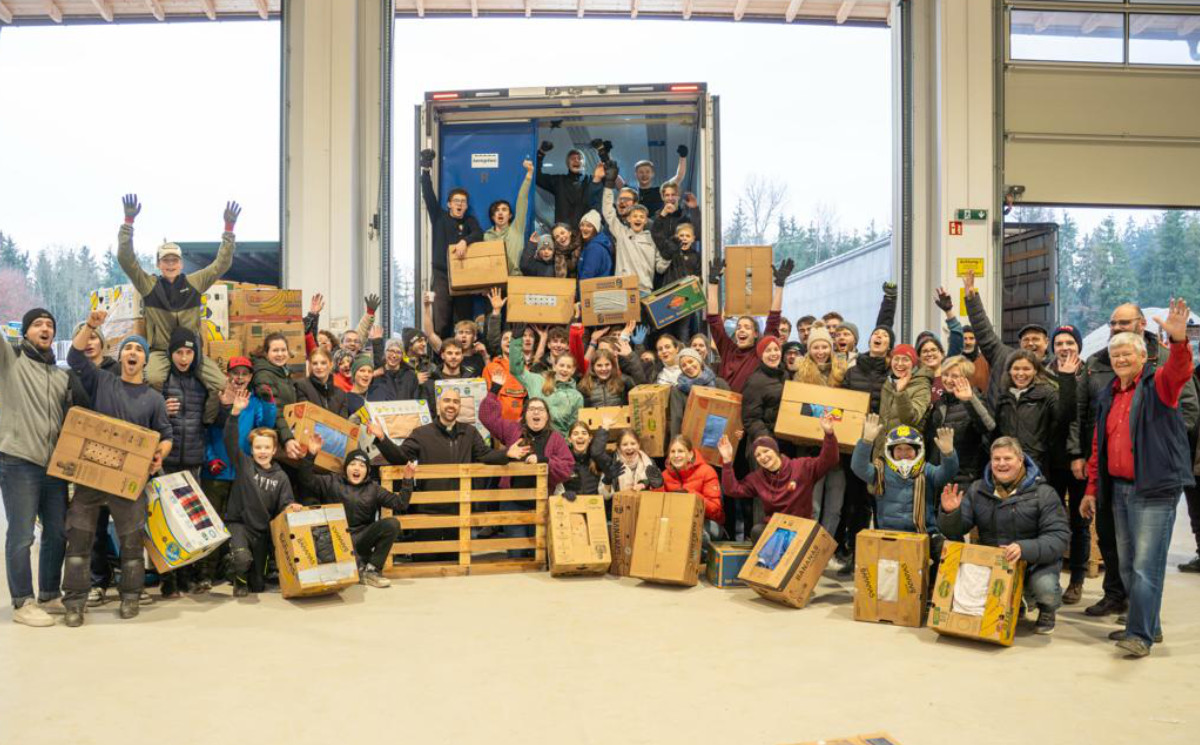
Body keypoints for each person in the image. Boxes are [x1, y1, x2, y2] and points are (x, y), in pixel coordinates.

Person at [1079, 299, 1195, 658]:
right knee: (1128, 563)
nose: (1122, 360)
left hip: (1154, 488)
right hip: (1119, 489)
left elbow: (1179, 371)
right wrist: (1092, 489)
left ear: (1143, 357)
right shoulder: (1109, 394)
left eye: (1128, 354)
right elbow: (1100, 445)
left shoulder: (1159, 385)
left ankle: (1140, 635)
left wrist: (1178, 342)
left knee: (1146, 565)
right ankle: (1149, 626)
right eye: (1116, 357)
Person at [62, 310, 173, 626]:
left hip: (130, 482)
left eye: (139, 349)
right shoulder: (102, 380)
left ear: (145, 360)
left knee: (131, 544)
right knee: (79, 542)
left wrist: (159, 456)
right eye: (128, 348)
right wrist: (91, 326)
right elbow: (74, 356)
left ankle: (130, 596)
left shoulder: (154, 398)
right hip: (92, 477)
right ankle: (74, 602)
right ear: (120, 355)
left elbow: (166, 435)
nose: (133, 353)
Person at [940, 437, 1070, 636]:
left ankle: (1046, 609)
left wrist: (1024, 548)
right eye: (996, 459)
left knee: (1044, 587)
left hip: (1034, 563)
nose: (1001, 464)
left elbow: (1059, 537)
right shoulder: (977, 489)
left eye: (1007, 458)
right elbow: (955, 531)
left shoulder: (1044, 493)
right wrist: (950, 514)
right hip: (995, 564)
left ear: (1020, 460)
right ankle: (1014, 604)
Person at [116, 194, 235, 411]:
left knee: (221, 384)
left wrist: (228, 229)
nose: (170, 264)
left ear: (181, 264)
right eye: (165, 260)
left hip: (191, 350)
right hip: (161, 351)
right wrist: (128, 223)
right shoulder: (149, 285)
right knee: (151, 378)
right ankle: (157, 417)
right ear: (158, 264)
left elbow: (221, 265)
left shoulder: (195, 282)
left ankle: (207, 421)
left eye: (174, 260)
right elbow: (126, 260)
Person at [371, 387, 515, 560]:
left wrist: (506, 454)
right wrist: (382, 438)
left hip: (458, 509)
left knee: (454, 563)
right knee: (424, 562)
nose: (451, 405)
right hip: (428, 510)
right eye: (447, 400)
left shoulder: (469, 432)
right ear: (439, 404)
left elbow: (484, 454)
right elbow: (400, 457)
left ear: (460, 406)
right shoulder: (421, 433)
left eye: (456, 402)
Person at [1, 308, 75, 627]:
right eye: (37, 324)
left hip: (53, 466)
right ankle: (22, 601)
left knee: (57, 532)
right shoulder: (11, 361)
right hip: (18, 460)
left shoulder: (61, 374)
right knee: (21, 535)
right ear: (26, 332)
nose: (44, 328)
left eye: (49, 325)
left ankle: (48, 593)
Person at [199, 357, 276, 594]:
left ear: (251, 377)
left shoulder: (252, 402)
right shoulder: (217, 397)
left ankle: (233, 568)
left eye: (244, 374)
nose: (239, 378)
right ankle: (205, 574)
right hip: (217, 472)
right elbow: (206, 431)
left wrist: (269, 403)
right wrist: (210, 458)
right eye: (235, 373)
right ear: (228, 374)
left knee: (237, 525)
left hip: (242, 474)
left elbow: (265, 429)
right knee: (211, 524)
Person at [299, 436, 414, 588]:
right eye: (352, 464)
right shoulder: (332, 481)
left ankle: (372, 571)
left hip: (361, 538)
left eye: (361, 465)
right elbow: (306, 479)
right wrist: (311, 455)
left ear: (366, 471)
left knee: (392, 524)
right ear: (346, 467)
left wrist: (407, 480)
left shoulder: (374, 489)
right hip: (334, 539)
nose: (356, 468)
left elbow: (401, 504)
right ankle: (353, 567)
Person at [479, 385, 574, 555]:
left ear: (547, 416)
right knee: (517, 553)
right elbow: (487, 418)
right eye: (531, 409)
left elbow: (567, 467)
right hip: (513, 502)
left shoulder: (556, 438)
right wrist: (494, 390)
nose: (536, 413)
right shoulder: (512, 431)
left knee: (540, 554)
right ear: (524, 414)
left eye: (540, 410)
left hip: (543, 502)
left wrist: (544, 461)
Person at [223, 389, 300, 596]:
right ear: (252, 449)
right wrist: (235, 413)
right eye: (258, 447)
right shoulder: (244, 464)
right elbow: (230, 440)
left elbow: (285, 503)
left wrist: (291, 507)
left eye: (267, 448)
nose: (263, 452)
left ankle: (246, 572)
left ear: (274, 450)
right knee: (242, 560)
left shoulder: (281, 477)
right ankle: (237, 576)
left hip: (262, 533)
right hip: (239, 525)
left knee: (258, 585)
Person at [717, 415, 839, 542]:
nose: (763, 457)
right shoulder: (757, 478)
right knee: (757, 531)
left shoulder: (801, 467)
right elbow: (732, 490)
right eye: (758, 455)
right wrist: (727, 461)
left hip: (800, 529)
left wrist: (829, 434)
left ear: (775, 451)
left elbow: (829, 460)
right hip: (776, 529)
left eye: (766, 451)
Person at [852, 417, 958, 552]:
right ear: (891, 451)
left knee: (947, 554)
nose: (903, 453)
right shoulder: (881, 470)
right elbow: (858, 467)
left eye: (908, 449)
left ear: (918, 451)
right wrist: (866, 442)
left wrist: (948, 454)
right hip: (888, 535)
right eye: (899, 449)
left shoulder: (926, 470)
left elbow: (947, 473)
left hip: (922, 536)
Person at [159, 328, 211, 598]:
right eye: (179, 352)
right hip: (166, 460)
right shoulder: (162, 380)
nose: (183, 357)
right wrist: (161, 407)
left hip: (192, 460)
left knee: (192, 521)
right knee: (167, 520)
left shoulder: (201, 380)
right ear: (171, 354)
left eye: (188, 352)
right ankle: (169, 578)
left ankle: (190, 575)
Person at [1045, 324, 1091, 604]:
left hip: (1079, 461)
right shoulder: (1044, 373)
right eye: (1059, 343)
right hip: (1051, 460)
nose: (1064, 348)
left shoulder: (1089, 373)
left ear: (1078, 346)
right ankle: (1048, 578)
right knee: (1050, 521)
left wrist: (1079, 454)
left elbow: (1081, 418)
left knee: (1080, 522)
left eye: (1070, 343)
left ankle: (1077, 579)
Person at [419, 148, 484, 339]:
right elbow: (428, 195)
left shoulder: (470, 221)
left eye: (463, 201)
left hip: (464, 276)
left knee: (464, 320)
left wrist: (465, 240)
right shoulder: (439, 217)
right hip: (442, 275)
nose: (460, 204)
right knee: (442, 320)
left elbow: (479, 234)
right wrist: (425, 169)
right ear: (449, 204)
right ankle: (440, 360)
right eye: (456, 201)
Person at [962, 270, 1050, 403]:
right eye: (1026, 340)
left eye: (1036, 339)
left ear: (1046, 342)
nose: (1030, 343)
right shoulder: (1003, 356)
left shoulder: (1055, 369)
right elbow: (984, 333)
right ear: (1020, 343)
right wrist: (972, 300)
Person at [704, 258, 791, 392]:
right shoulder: (727, 349)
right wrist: (713, 284)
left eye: (747, 327)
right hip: (722, 407)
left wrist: (779, 286)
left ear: (756, 333)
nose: (741, 330)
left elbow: (773, 320)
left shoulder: (760, 352)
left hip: (748, 408)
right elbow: (714, 319)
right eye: (738, 327)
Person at [993, 349, 1076, 476]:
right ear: (1009, 371)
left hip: (1036, 464)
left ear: (1035, 371)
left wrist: (1067, 379)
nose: (1021, 373)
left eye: (1027, 369)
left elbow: (1066, 417)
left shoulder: (1047, 393)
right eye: (1016, 368)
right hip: (1006, 464)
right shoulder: (1003, 397)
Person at [928, 356, 995, 487]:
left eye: (954, 376)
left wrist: (969, 400)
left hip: (964, 478)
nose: (948, 380)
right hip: (939, 475)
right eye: (945, 375)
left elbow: (988, 427)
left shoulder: (975, 399)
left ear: (967, 379)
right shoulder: (939, 402)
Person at [507, 331, 582, 436]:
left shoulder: (576, 396)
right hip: (534, 438)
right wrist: (516, 341)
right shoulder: (537, 380)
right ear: (554, 366)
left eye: (569, 367)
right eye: (561, 365)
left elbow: (574, 427)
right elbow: (516, 370)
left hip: (559, 443)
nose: (564, 370)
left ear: (573, 370)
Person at [656, 435, 724, 545]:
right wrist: (657, 488)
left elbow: (715, 511)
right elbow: (660, 509)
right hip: (677, 523)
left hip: (707, 523)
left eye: (681, 451)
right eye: (673, 452)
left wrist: (692, 496)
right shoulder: (664, 475)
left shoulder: (707, 471)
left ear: (690, 454)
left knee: (691, 530)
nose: (676, 455)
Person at [600, 168, 657, 294]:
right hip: (622, 288)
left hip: (644, 289)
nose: (622, 202)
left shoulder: (652, 233)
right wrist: (609, 185)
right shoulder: (621, 231)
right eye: (620, 199)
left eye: (626, 199)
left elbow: (660, 265)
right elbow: (608, 212)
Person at [252, 332, 306, 462]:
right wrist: (287, 439)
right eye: (275, 350)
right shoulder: (264, 375)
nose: (280, 354)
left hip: (283, 434)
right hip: (272, 440)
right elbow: (276, 410)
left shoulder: (282, 372)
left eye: (283, 350)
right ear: (266, 353)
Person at [873, 344, 932, 459]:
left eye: (905, 359)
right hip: (881, 453)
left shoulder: (922, 386)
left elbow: (912, 419)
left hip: (905, 456)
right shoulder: (889, 383)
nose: (899, 364)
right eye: (896, 359)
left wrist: (901, 393)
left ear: (913, 363)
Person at [653, 220, 704, 339]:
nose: (684, 238)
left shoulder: (696, 256)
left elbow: (699, 274)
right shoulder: (671, 253)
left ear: (693, 238)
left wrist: (697, 278)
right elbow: (661, 268)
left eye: (687, 236)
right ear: (676, 237)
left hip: (686, 298)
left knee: (683, 330)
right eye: (681, 236)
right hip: (669, 296)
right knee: (666, 330)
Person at [484, 158, 534, 275]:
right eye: (497, 210)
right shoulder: (487, 236)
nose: (500, 213)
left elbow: (522, 199)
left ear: (510, 215)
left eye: (504, 210)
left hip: (516, 280)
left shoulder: (517, 228)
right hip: (494, 280)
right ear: (492, 216)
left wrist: (529, 174)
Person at [535, 140, 600, 228]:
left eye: (579, 158)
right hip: (563, 234)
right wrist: (540, 153)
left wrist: (603, 154)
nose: (576, 160)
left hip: (585, 232)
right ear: (567, 164)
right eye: (572, 159)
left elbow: (611, 178)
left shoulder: (592, 181)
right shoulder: (558, 181)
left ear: (584, 164)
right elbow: (537, 177)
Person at [741, 336, 787, 450]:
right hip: (763, 444)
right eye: (768, 350)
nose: (773, 354)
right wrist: (766, 440)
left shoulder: (785, 374)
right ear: (761, 355)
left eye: (776, 349)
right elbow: (750, 418)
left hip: (784, 439)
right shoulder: (755, 382)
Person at [562, 419, 613, 503]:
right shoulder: (563, 462)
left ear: (590, 438)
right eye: (575, 434)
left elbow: (606, 496)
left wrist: (604, 428)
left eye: (584, 433)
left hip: (594, 509)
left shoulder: (598, 461)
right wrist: (563, 494)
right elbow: (557, 490)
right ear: (569, 439)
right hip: (571, 509)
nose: (580, 436)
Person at [600, 429, 663, 497]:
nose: (629, 448)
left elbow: (658, 489)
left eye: (633, 443)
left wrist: (645, 484)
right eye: (625, 444)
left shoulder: (649, 463)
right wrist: (607, 481)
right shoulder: (611, 463)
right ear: (618, 448)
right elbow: (605, 496)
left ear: (638, 445)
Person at [630, 146, 687, 215]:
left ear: (652, 174)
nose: (644, 175)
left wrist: (683, 156)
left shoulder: (660, 191)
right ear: (636, 174)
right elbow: (614, 177)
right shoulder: (630, 193)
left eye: (647, 172)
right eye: (641, 172)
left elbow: (679, 177)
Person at [295, 347, 350, 417]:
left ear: (330, 365)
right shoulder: (301, 386)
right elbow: (304, 415)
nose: (319, 367)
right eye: (315, 363)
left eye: (323, 363)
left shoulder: (341, 394)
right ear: (310, 366)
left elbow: (343, 422)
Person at [793, 323, 846, 387]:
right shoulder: (801, 372)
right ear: (809, 351)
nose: (820, 352)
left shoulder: (842, 369)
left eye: (824, 347)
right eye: (815, 348)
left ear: (831, 349)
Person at [576, 210, 614, 281]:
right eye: (582, 225)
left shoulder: (594, 248)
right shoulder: (597, 243)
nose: (584, 228)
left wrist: (579, 291)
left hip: (592, 290)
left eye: (589, 226)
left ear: (596, 229)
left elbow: (587, 276)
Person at [960, 324, 991, 393]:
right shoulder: (953, 361)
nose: (968, 342)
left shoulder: (986, 361)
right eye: (964, 339)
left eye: (971, 338)